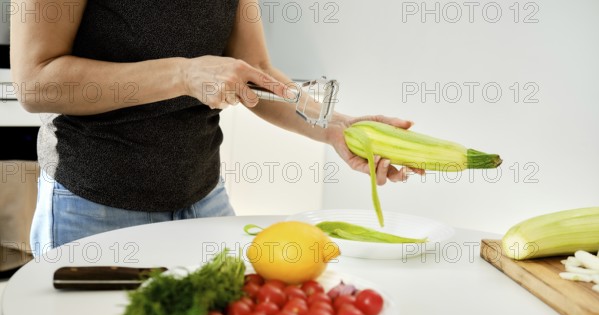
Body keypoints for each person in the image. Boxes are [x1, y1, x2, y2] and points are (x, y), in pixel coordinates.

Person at [11, 0, 419, 257]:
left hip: (202, 200)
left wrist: (335, 126)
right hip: (95, 207)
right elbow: (35, 82)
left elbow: (255, 71)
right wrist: (183, 74)